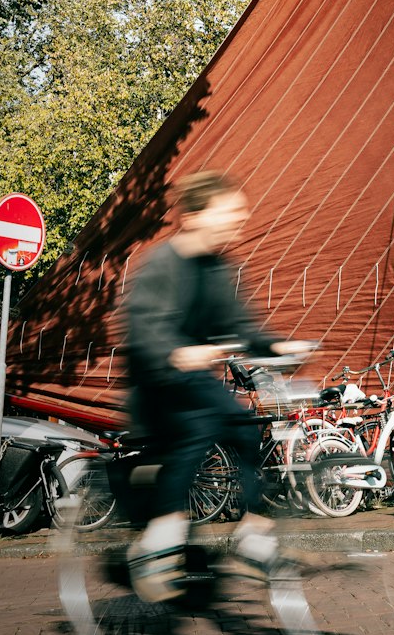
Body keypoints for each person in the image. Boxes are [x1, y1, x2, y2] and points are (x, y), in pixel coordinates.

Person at [122, 169, 309, 602]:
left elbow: (239, 326)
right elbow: (144, 326)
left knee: (244, 426)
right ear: (194, 215)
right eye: (229, 212)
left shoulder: (218, 268)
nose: (238, 220)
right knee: (197, 431)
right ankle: (156, 544)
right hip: (156, 385)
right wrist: (175, 352)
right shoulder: (163, 264)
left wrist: (279, 345)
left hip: (192, 382)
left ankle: (252, 534)